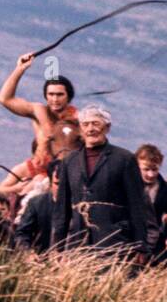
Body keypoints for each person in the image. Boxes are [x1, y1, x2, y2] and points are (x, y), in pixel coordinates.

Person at [50, 104, 149, 261]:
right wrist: (57, 246)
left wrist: (141, 245)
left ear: (107, 127)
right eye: (85, 124)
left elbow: (137, 204)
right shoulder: (70, 161)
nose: (91, 129)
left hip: (115, 241)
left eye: (96, 123)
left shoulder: (124, 159)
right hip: (78, 242)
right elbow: (62, 208)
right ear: (80, 130)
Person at [0, 54, 79, 193]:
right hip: (39, 167)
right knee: (4, 192)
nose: (55, 99)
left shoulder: (77, 119)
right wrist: (20, 69)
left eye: (59, 94)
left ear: (68, 96)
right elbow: (4, 99)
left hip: (68, 172)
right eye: (51, 94)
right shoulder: (39, 112)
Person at [135, 144, 167, 262]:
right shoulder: (127, 187)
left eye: (154, 169)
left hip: (157, 250)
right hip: (130, 246)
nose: (151, 174)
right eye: (146, 169)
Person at [13, 161, 60, 254]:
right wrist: (28, 253)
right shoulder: (36, 204)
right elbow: (22, 234)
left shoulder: (78, 205)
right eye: (57, 184)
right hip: (41, 260)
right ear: (50, 184)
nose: (61, 187)